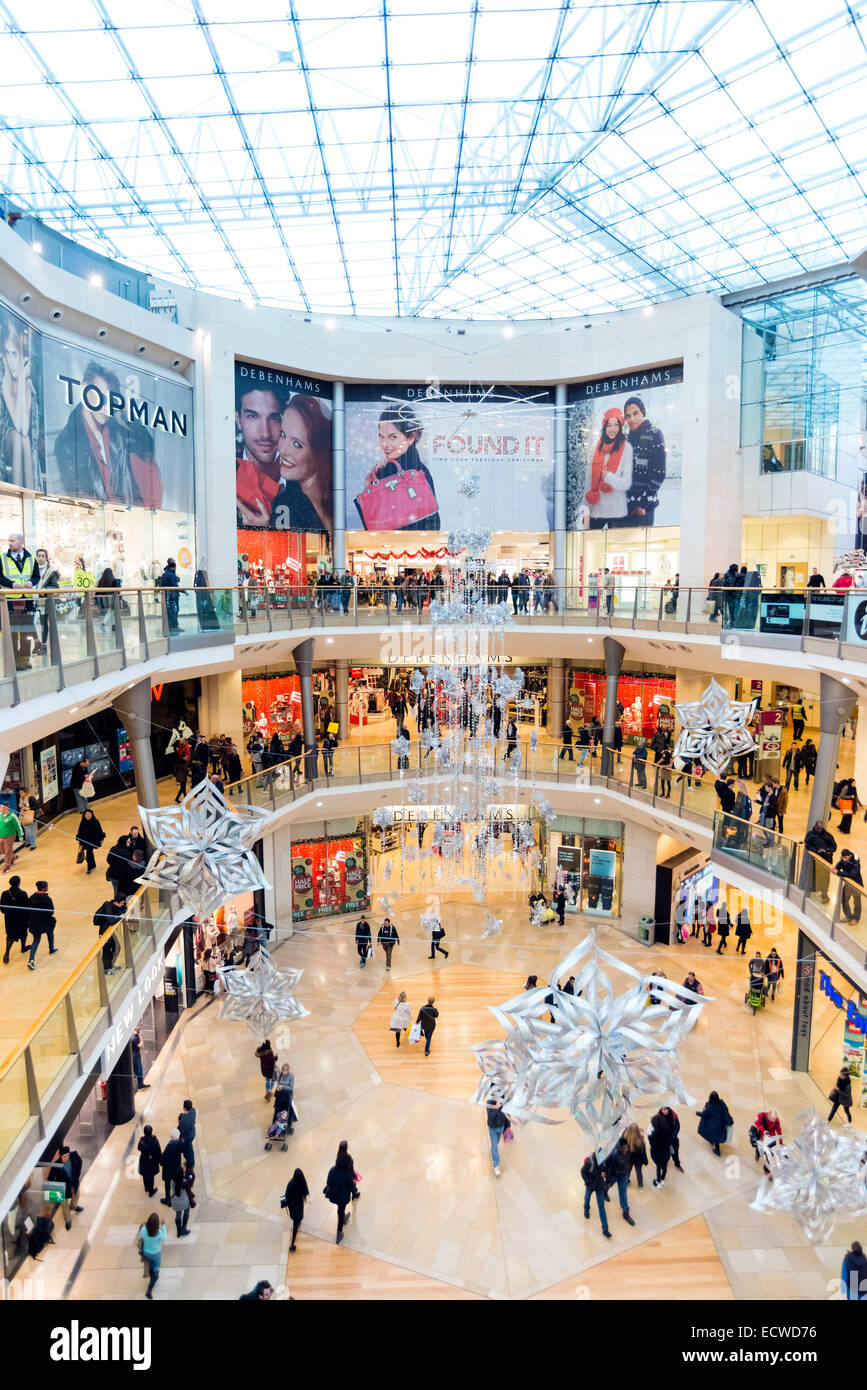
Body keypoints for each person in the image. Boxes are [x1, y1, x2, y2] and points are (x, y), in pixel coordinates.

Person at [354, 405, 440, 532]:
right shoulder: (419, 470)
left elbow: (376, 525)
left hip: (396, 545)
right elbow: (433, 522)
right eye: (381, 436)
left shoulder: (394, 472)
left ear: (411, 438)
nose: (385, 444)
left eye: (392, 437)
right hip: (418, 544)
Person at [269, 395, 333, 534]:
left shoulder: (335, 501)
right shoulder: (285, 504)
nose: (283, 449)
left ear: (318, 453)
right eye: (283, 434)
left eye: (297, 444)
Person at [585, 409, 633, 529]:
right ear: (604, 427)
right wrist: (586, 510)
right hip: (596, 510)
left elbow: (626, 483)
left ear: (621, 426)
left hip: (616, 512)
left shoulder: (627, 448)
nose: (612, 429)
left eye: (616, 425)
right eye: (609, 425)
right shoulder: (596, 448)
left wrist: (608, 477)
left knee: (615, 547)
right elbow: (588, 483)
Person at [0, 531, 36, 669]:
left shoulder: (31, 558)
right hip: (9, 601)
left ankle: (25, 660)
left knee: (27, 631)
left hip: (27, 601)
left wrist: (31, 583)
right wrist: (11, 584)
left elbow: (36, 576)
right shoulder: (2, 558)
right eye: (9, 540)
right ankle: (14, 661)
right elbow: (0, 577)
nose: (10, 543)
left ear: (21, 543)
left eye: (13, 540)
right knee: (13, 632)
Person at [325, 1140, 359, 1245]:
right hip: (343, 1197)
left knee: (340, 1209)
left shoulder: (333, 1170)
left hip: (334, 1194)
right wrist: (355, 1191)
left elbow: (328, 1182)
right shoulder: (348, 1175)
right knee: (341, 1210)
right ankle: (339, 1232)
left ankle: (343, 1217)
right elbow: (352, 1186)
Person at [31, 548, 60, 655]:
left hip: (44, 602)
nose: (41, 558)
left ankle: (43, 646)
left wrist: (44, 590)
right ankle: (36, 643)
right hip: (31, 600)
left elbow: (55, 587)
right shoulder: (32, 569)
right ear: (36, 557)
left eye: (43, 556)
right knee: (31, 623)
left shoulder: (51, 572)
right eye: (39, 556)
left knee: (44, 625)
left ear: (46, 558)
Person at [48, 1144, 84, 1229]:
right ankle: (68, 1220)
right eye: (64, 1156)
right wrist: (54, 1191)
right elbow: (50, 1178)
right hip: (62, 1187)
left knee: (77, 1195)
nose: (66, 1158)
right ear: (60, 1156)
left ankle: (74, 1206)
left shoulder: (74, 1156)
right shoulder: (56, 1165)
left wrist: (77, 1175)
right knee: (64, 1204)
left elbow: (80, 1162)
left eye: (67, 1156)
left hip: (73, 1183)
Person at [604, 1136, 636, 1226]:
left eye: (627, 1147)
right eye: (624, 1147)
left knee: (623, 1193)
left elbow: (628, 1160)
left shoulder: (628, 1150)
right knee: (608, 1185)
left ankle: (625, 1212)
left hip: (624, 1175)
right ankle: (604, 1192)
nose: (626, 1149)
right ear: (620, 1147)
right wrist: (608, 1179)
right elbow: (609, 1166)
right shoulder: (614, 1154)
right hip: (614, 1175)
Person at [94, 891, 127, 974]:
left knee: (116, 947)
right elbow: (110, 921)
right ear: (117, 902)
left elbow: (123, 909)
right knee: (107, 950)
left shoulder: (115, 906)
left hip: (109, 931)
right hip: (104, 931)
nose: (123, 904)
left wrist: (121, 912)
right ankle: (106, 968)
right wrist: (120, 917)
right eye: (122, 903)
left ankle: (110, 965)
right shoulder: (108, 906)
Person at [137, 1212, 167, 1299]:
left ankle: (151, 1274)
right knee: (156, 1268)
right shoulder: (158, 1233)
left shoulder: (143, 1230)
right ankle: (149, 1289)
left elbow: (140, 1237)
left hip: (146, 1252)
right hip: (156, 1253)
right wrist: (164, 1226)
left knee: (150, 1267)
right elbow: (164, 1238)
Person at [580, 1152, 611, 1237]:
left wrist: (605, 1173)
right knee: (587, 1199)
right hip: (591, 1185)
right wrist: (588, 1181)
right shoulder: (590, 1162)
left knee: (601, 1206)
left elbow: (606, 1170)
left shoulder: (604, 1161)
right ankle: (586, 1208)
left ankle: (605, 1229)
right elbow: (582, 1171)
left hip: (599, 1186)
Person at [805, 821, 837, 902]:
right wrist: (816, 850)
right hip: (815, 859)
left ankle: (824, 893)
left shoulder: (828, 836)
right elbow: (807, 844)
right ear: (815, 827)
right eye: (818, 828)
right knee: (814, 875)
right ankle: (813, 889)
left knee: (825, 877)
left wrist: (827, 850)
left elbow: (834, 847)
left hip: (826, 860)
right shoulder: (810, 834)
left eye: (821, 828)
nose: (819, 830)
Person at [27, 880, 56, 968]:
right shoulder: (47, 898)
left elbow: (28, 910)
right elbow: (51, 911)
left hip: (34, 922)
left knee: (36, 940)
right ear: (44, 888)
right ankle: (51, 949)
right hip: (45, 922)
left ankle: (31, 960)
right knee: (50, 932)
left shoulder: (32, 897)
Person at [1, 874, 29, 963]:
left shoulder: (4, 894)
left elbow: (2, 908)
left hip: (9, 919)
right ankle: (23, 947)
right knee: (23, 933)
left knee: (10, 936)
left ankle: (7, 953)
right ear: (19, 883)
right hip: (21, 919)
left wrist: (8, 913)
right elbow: (27, 908)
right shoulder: (23, 894)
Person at [696, 1090, 733, 1156]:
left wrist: (697, 1113)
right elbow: (726, 1112)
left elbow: (704, 1114)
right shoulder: (722, 1104)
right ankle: (714, 1144)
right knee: (716, 1137)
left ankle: (717, 1151)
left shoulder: (709, 1105)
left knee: (713, 1136)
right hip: (720, 1125)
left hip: (712, 1126)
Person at [283, 1168, 309, 1252]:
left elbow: (286, 1195)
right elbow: (306, 1192)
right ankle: (292, 1243)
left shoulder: (291, 1183)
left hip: (292, 1206)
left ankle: (292, 1244)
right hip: (298, 1206)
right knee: (297, 1222)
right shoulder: (302, 1183)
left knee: (295, 1221)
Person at [836, 849, 864, 924]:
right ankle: (849, 917)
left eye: (845, 858)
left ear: (850, 856)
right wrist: (836, 869)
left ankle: (856, 918)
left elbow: (853, 874)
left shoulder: (855, 861)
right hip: (847, 884)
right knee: (844, 900)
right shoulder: (843, 859)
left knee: (857, 903)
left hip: (856, 885)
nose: (843, 859)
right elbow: (838, 865)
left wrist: (839, 872)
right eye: (842, 858)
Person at [75, 808, 105, 874]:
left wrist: (102, 839)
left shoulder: (95, 821)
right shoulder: (83, 821)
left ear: (92, 815)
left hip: (92, 841)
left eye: (90, 814)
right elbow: (80, 831)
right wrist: (79, 839)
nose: (88, 815)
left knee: (89, 853)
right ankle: (93, 865)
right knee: (90, 853)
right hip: (85, 841)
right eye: (87, 814)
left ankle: (89, 867)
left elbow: (100, 830)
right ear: (84, 815)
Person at [486, 1095, 511, 1176]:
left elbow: (508, 1115)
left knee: (495, 1144)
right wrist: (496, 1107)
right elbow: (490, 1117)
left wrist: (508, 1127)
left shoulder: (505, 1100)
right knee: (494, 1146)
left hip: (501, 1127)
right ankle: (496, 1166)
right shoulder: (489, 1102)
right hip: (492, 1129)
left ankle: (493, 1152)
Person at [155, 558, 181, 632]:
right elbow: (174, 585)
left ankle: (170, 626)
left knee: (170, 610)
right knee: (173, 610)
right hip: (172, 595)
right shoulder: (170, 574)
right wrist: (182, 591)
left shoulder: (166, 573)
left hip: (168, 595)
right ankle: (173, 626)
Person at [160, 1128, 184, 1206]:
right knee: (176, 1181)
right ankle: (176, 1195)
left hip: (169, 1168)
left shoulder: (170, 1145)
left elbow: (164, 1157)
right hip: (176, 1166)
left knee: (167, 1184)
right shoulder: (180, 1143)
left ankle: (168, 1200)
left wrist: (161, 1163)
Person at [137, 1125, 161, 1197]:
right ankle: (151, 1191)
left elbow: (138, 1148)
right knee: (151, 1175)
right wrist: (160, 1160)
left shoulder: (141, 1141)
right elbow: (158, 1151)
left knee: (145, 1174)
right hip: (152, 1160)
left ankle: (146, 1188)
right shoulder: (155, 1141)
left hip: (144, 1160)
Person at [623, 1123, 648, 1190]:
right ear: (637, 1131)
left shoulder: (625, 1138)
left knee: (628, 1171)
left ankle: (626, 1182)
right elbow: (643, 1153)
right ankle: (640, 1186)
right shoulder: (640, 1141)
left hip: (628, 1160)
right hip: (638, 1161)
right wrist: (646, 1161)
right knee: (639, 1172)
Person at [178, 1098, 196, 1168]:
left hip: (187, 1137)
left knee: (188, 1150)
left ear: (184, 1108)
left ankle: (190, 1163)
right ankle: (190, 1161)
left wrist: (181, 1138)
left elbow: (182, 1131)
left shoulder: (184, 1120)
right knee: (189, 1147)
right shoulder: (193, 1110)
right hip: (192, 1132)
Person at [131, 1025, 149, 1090]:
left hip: (136, 1054)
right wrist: (140, 1036)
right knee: (139, 1070)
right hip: (135, 1056)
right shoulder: (135, 1038)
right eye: (139, 1026)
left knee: (138, 1069)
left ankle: (139, 1081)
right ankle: (140, 1085)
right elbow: (142, 1045)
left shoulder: (134, 1036)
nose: (141, 1027)